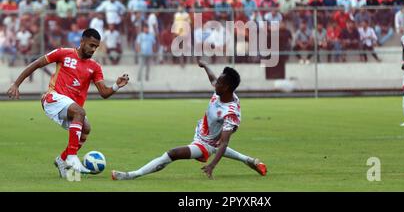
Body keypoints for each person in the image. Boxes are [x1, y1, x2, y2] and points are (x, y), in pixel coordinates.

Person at [6, 29, 130, 180]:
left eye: (96, 47)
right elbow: (37, 64)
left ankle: (62, 160)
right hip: (53, 97)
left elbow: (104, 93)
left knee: (86, 128)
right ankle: (72, 157)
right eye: (91, 45)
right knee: (80, 112)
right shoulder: (63, 53)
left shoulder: (95, 67)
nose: (93, 49)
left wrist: (116, 86)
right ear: (82, 41)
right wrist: (16, 84)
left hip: (69, 107)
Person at [112, 61, 267, 180]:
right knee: (217, 145)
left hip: (205, 144)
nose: (215, 84)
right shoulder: (222, 91)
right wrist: (205, 65)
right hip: (203, 133)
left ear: (226, 87)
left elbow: (224, 143)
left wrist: (212, 165)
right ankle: (250, 161)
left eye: (219, 83)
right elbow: (213, 79)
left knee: (172, 154)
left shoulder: (230, 112)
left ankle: (130, 175)